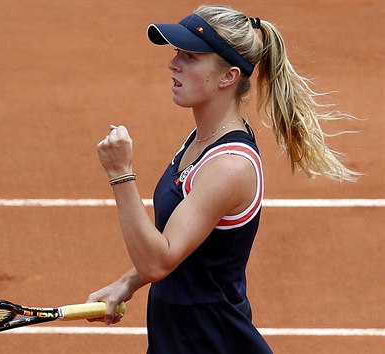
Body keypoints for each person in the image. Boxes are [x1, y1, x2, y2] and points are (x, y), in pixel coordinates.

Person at [86, 4, 359, 354]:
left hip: (210, 341)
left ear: (228, 76)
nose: (174, 64)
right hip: (182, 337)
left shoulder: (228, 166)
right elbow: (183, 242)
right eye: (176, 53)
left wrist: (120, 174)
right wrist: (125, 283)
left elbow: (158, 261)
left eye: (190, 57)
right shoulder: (201, 140)